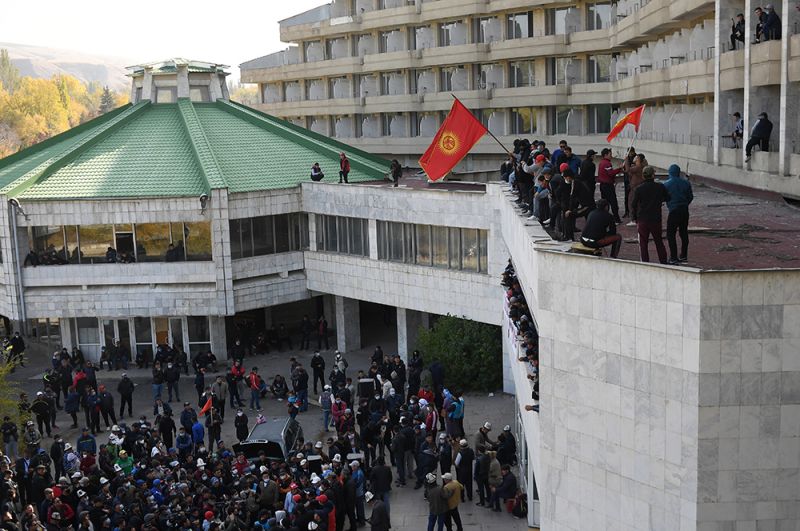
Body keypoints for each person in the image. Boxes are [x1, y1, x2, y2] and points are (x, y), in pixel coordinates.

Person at [631, 165, 671, 264]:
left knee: (643, 243)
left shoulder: (639, 189)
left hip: (642, 219)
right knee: (659, 241)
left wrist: (634, 218)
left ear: (643, 176)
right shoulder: (660, 186)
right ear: (653, 175)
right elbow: (668, 198)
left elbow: (633, 204)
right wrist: (659, 201)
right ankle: (663, 261)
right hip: (655, 218)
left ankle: (645, 262)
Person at [662, 164, 694, 264]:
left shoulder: (666, 184)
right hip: (684, 210)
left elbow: (664, 197)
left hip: (674, 210)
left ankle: (673, 257)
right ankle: (684, 255)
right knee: (683, 233)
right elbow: (690, 197)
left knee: (671, 234)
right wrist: (685, 203)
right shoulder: (686, 183)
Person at [596, 148, 623, 223]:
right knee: (613, 202)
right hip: (608, 186)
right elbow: (610, 173)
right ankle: (616, 219)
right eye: (610, 154)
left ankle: (604, 218)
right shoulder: (607, 163)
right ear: (605, 155)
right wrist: (619, 169)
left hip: (603, 185)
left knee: (605, 203)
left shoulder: (601, 163)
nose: (611, 156)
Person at [624, 152, 647, 226]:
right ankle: (638, 218)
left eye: (637, 158)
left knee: (631, 203)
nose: (635, 159)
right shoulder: (643, 166)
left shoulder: (638, 167)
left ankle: (633, 219)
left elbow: (628, 170)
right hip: (639, 187)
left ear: (639, 160)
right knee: (638, 204)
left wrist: (626, 160)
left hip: (635, 188)